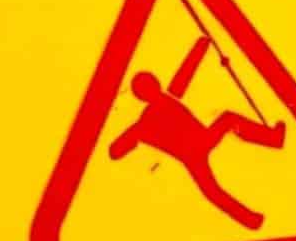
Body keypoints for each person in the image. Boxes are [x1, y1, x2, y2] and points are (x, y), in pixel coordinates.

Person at [108, 35, 285, 229]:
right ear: (143, 94)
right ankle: (250, 219)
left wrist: (203, 44)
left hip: (201, 141)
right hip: (193, 153)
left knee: (227, 121)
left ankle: (273, 139)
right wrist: (130, 139)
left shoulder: (166, 99)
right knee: (212, 190)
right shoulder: (145, 121)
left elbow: (186, 71)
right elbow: (115, 151)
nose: (155, 85)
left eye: (153, 81)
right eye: (149, 85)